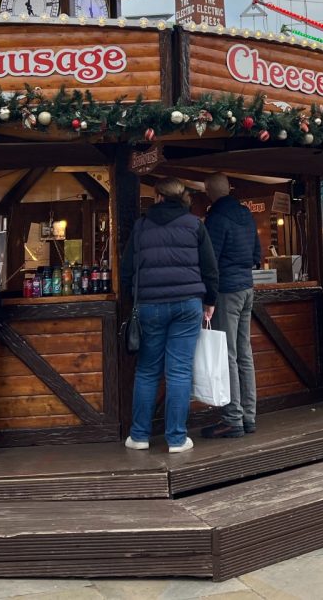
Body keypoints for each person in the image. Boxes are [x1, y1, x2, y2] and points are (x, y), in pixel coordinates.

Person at [120, 177, 219, 453]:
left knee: (148, 370)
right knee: (179, 372)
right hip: (188, 305)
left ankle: (139, 436)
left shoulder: (141, 227)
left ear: (159, 197)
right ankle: (176, 438)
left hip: (150, 305)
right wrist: (210, 300)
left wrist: (132, 300)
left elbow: (127, 269)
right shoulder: (195, 225)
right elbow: (210, 268)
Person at [200, 173, 262, 439]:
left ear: (207, 191)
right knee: (244, 354)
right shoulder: (245, 214)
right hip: (247, 287)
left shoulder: (216, 217)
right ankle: (249, 416)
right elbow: (257, 255)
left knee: (229, 355)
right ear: (229, 189)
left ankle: (233, 419)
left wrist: (208, 297)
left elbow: (209, 260)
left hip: (226, 290)